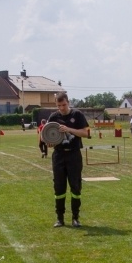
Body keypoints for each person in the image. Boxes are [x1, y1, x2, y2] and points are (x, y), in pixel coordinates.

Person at [48, 93, 90, 227]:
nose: (62, 108)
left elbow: (85, 133)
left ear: (68, 102)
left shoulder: (77, 115)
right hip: (59, 155)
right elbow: (46, 135)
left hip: (74, 155)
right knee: (59, 187)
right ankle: (59, 218)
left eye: (64, 105)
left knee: (75, 186)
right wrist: (48, 141)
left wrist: (69, 130)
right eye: (59, 105)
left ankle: (75, 218)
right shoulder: (54, 117)